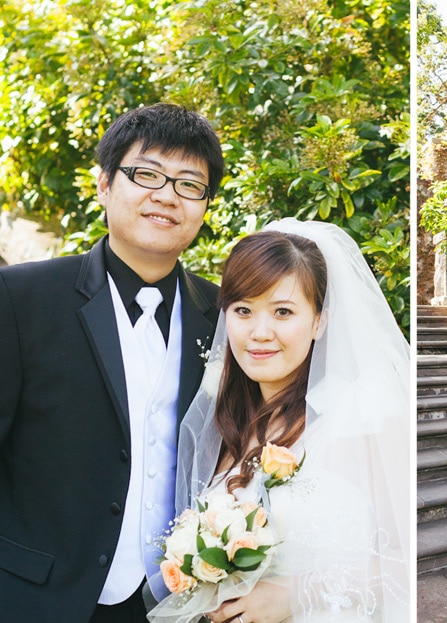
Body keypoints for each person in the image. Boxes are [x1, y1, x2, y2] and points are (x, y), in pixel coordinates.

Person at [0, 103, 225, 621]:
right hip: (37, 598)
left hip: (176, 602)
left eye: (190, 184)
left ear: (205, 205)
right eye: (146, 174)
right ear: (104, 183)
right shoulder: (20, 298)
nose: (167, 195)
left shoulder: (223, 316)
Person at [148, 218, 410, 622]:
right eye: (243, 310)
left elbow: (411, 564)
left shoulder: (365, 415)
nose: (260, 332)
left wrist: (300, 594)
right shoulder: (228, 427)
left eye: (283, 311)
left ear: (319, 320)